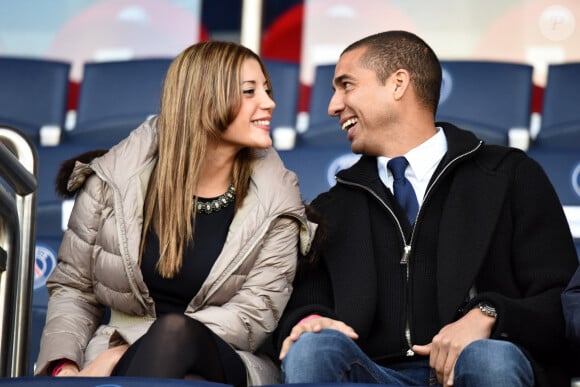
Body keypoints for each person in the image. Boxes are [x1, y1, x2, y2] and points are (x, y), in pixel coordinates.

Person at [269, 31, 579, 387]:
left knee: (489, 358)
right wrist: (312, 320)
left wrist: (489, 314)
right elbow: (305, 303)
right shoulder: (333, 205)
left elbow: (561, 302)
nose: (333, 106)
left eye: (346, 85)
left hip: (477, 368)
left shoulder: (509, 174)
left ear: (398, 84)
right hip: (373, 374)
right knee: (312, 350)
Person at [35, 40, 311, 387]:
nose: (269, 103)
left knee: (176, 333)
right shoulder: (112, 181)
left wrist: (124, 350)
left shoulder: (279, 202)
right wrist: (64, 365)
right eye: (249, 92)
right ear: (202, 98)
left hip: (231, 361)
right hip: (121, 365)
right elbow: (74, 288)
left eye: (267, 90)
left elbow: (253, 315)